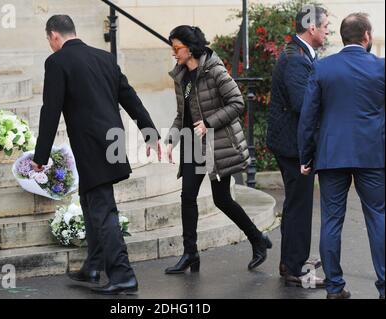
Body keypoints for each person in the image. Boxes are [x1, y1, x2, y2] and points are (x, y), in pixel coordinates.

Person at [31, 15, 161, 295]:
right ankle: (94, 266)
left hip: (91, 146)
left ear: (54, 36)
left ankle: (124, 275)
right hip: (112, 142)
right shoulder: (104, 58)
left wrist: (40, 157)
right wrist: (150, 133)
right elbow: (130, 97)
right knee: (90, 202)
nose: (50, 44)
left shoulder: (57, 62)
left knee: (103, 210)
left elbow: (50, 111)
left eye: (48, 40)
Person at [164, 25, 272, 275]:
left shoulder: (214, 70)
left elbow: (237, 103)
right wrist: (170, 140)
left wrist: (210, 122)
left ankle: (257, 239)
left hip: (215, 145)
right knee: (187, 197)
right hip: (192, 144)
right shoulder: (181, 76)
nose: (174, 53)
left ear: (190, 49)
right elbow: (182, 116)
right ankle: (190, 253)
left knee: (222, 199)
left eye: (177, 48)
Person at [298, 13, 385, 299]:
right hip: (372, 155)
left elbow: (308, 117)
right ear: (367, 36)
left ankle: (334, 287)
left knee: (332, 221)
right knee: (378, 218)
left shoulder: (322, 68)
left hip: (331, 154)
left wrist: (306, 157)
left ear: (343, 37)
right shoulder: (381, 68)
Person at [266, 6, 329, 288]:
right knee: (299, 206)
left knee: (297, 203)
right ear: (312, 28)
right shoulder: (295, 59)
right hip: (293, 146)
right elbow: (304, 105)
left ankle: (292, 259)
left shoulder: (301, 55)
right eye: (325, 25)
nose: (327, 30)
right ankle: (293, 266)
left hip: (293, 143)